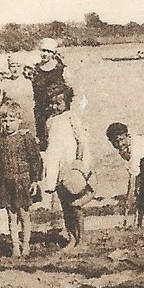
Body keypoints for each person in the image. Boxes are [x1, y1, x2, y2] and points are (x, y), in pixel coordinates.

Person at [0, 101, 41, 258]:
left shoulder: (25, 138)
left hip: (23, 180)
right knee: (11, 216)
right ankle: (15, 246)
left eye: (12, 120)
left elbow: (35, 159)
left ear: (19, 120)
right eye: (4, 120)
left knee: (24, 215)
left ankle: (26, 245)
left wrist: (35, 180)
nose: (8, 124)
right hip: (6, 182)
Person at [41, 85, 92, 248]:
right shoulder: (49, 121)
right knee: (65, 205)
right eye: (51, 103)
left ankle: (81, 238)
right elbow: (51, 146)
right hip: (58, 168)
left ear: (67, 102)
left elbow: (81, 141)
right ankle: (71, 237)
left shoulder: (71, 118)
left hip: (71, 166)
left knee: (75, 203)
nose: (54, 107)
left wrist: (78, 164)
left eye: (58, 103)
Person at [22, 38, 71, 150]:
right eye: (43, 50)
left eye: (49, 51)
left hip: (58, 110)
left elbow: (70, 90)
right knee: (43, 141)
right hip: (41, 112)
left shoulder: (61, 69)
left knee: (59, 139)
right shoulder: (34, 70)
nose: (45, 54)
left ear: (54, 53)